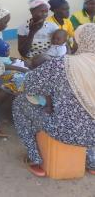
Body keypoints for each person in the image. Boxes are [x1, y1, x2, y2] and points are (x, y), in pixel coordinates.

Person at [12, 23, 95, 177]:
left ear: (81, 41)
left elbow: (30, 86)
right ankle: (92, 162)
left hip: (64, 131)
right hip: (92, 134)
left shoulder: (61, 64)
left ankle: (35, 158)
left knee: (19, 103)